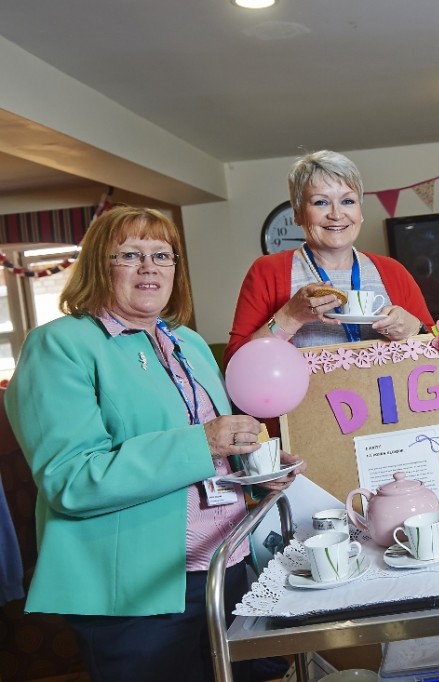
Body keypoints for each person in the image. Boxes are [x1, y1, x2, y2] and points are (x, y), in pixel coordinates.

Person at [3, 206, 306, 682]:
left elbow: (214, 444)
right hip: (138, 591)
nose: (149, 267)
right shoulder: (60, 346)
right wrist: (203, 442)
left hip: (227, 566)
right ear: (99, 266)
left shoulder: (185, 340)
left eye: (162, 255)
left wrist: (256, 469)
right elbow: (72, 480)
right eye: (129, 254)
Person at [226, 150, 434, 365]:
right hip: (305, 399)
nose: (336, 214)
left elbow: (438, 354)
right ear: (297, 214)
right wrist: (290, 316)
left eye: (348, 201)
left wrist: (415, 329)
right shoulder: (267, 271)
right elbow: (236, 364)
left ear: (360, 212)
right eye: (320, 202)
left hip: (387, 397)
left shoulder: (393, 271)